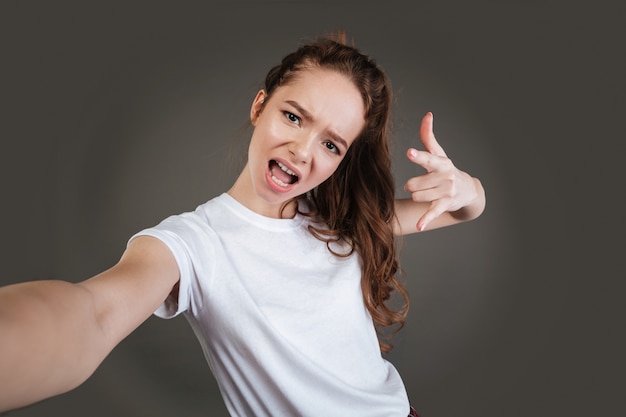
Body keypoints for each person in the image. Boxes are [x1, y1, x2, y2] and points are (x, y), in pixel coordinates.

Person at [0, 32, 485, 416]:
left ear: (341, 160)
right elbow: (93, 314)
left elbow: (466, 210)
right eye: (294, 117)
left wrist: (468, 190)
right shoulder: (192, 244)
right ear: (260, 107)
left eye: (331, 144)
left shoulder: (344, 223)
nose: (302, 149)